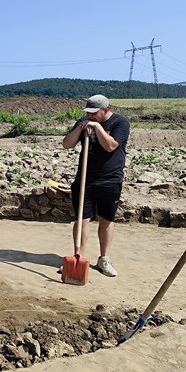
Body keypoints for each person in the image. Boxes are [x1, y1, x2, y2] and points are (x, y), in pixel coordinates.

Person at [62, 95, 130, 277]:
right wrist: (80, 128)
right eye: (88, 113)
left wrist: (98, 128)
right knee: (82, 219)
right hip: (85, 179)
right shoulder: (84, 122)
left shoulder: (120, 123)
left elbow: (111, 146)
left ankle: (104, 259)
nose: (89, 116)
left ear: (105, 110)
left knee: (106, 220)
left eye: (93, 113)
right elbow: (67, 144)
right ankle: (79, 257)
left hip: (110, 180)